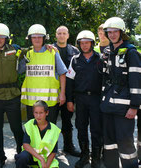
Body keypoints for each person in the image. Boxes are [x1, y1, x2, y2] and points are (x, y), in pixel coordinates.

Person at [101, 17, 141, 168]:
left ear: (121, 33)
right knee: (109, 144)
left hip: (124, 109)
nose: (111, 35)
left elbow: (136, 82)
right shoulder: (109, 52)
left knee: (126, 145)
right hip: (108, 106)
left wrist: (134, 106)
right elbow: (105, 77)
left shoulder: (131, 53)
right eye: (109, 32)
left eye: (115, 32)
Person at [0, 23, 24, 168]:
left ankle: (21, 153)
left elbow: (34, 50)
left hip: (12, 95)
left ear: (7, 38)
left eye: (2, 37)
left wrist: (48, 47)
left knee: (16, 127)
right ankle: (0, 157)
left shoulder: (16, 50)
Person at [66, 30, 103, 168]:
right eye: (82, 43)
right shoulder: (75, 60)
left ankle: (96, 158)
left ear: (92, 43)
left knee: (96, 129)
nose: (85, 45)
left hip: (96, 99)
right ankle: (84, 155)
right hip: (80, 100)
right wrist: (70, 100)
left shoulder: (100, 59)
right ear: (79, 44)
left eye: (87, 42)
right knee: (81, 127)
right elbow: (69, 82)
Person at [20, 24, 67, 124]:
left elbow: (62, 73)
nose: (37, 39)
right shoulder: (27, 54)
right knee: (33, 133)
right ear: (30, 39)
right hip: (32, 103)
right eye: (34, 37)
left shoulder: (52, 52)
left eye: (39, 37)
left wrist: (62, 94)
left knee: (50, 133)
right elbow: (18, 71)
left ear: (44, 38)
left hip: (49, 103)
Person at [53, 26, 80, 157]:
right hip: (52, 90)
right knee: (50, 121)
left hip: (69, 91)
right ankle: (50, 149)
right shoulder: (49, 49)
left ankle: (68, 146)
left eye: (64, 33)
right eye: (59, 33)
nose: (62, 35)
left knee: (67, 120)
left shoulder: (75, 51)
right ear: (56, 35)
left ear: (68, 35)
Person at [15, 100, 61, 168]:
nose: (38, 116)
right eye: (36, 113)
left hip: (46, 158)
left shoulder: (54, 129)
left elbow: (53, 152)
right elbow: (25, 145)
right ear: (33, 113)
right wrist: (40, 159)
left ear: (47, 112)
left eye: (41, 113)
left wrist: (46, 166)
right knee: (22, 157)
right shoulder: (29, 124)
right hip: (31, 155)